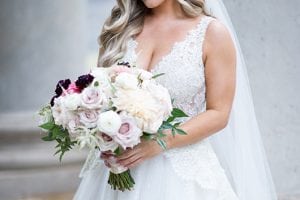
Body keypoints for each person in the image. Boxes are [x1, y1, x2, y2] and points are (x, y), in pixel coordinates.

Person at [74, 0, 277, 199]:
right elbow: (99, 91)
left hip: (180, 177)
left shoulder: (211, 33)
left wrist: (159, 142)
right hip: (115, 169)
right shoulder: (119, 29)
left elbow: (219, 113)